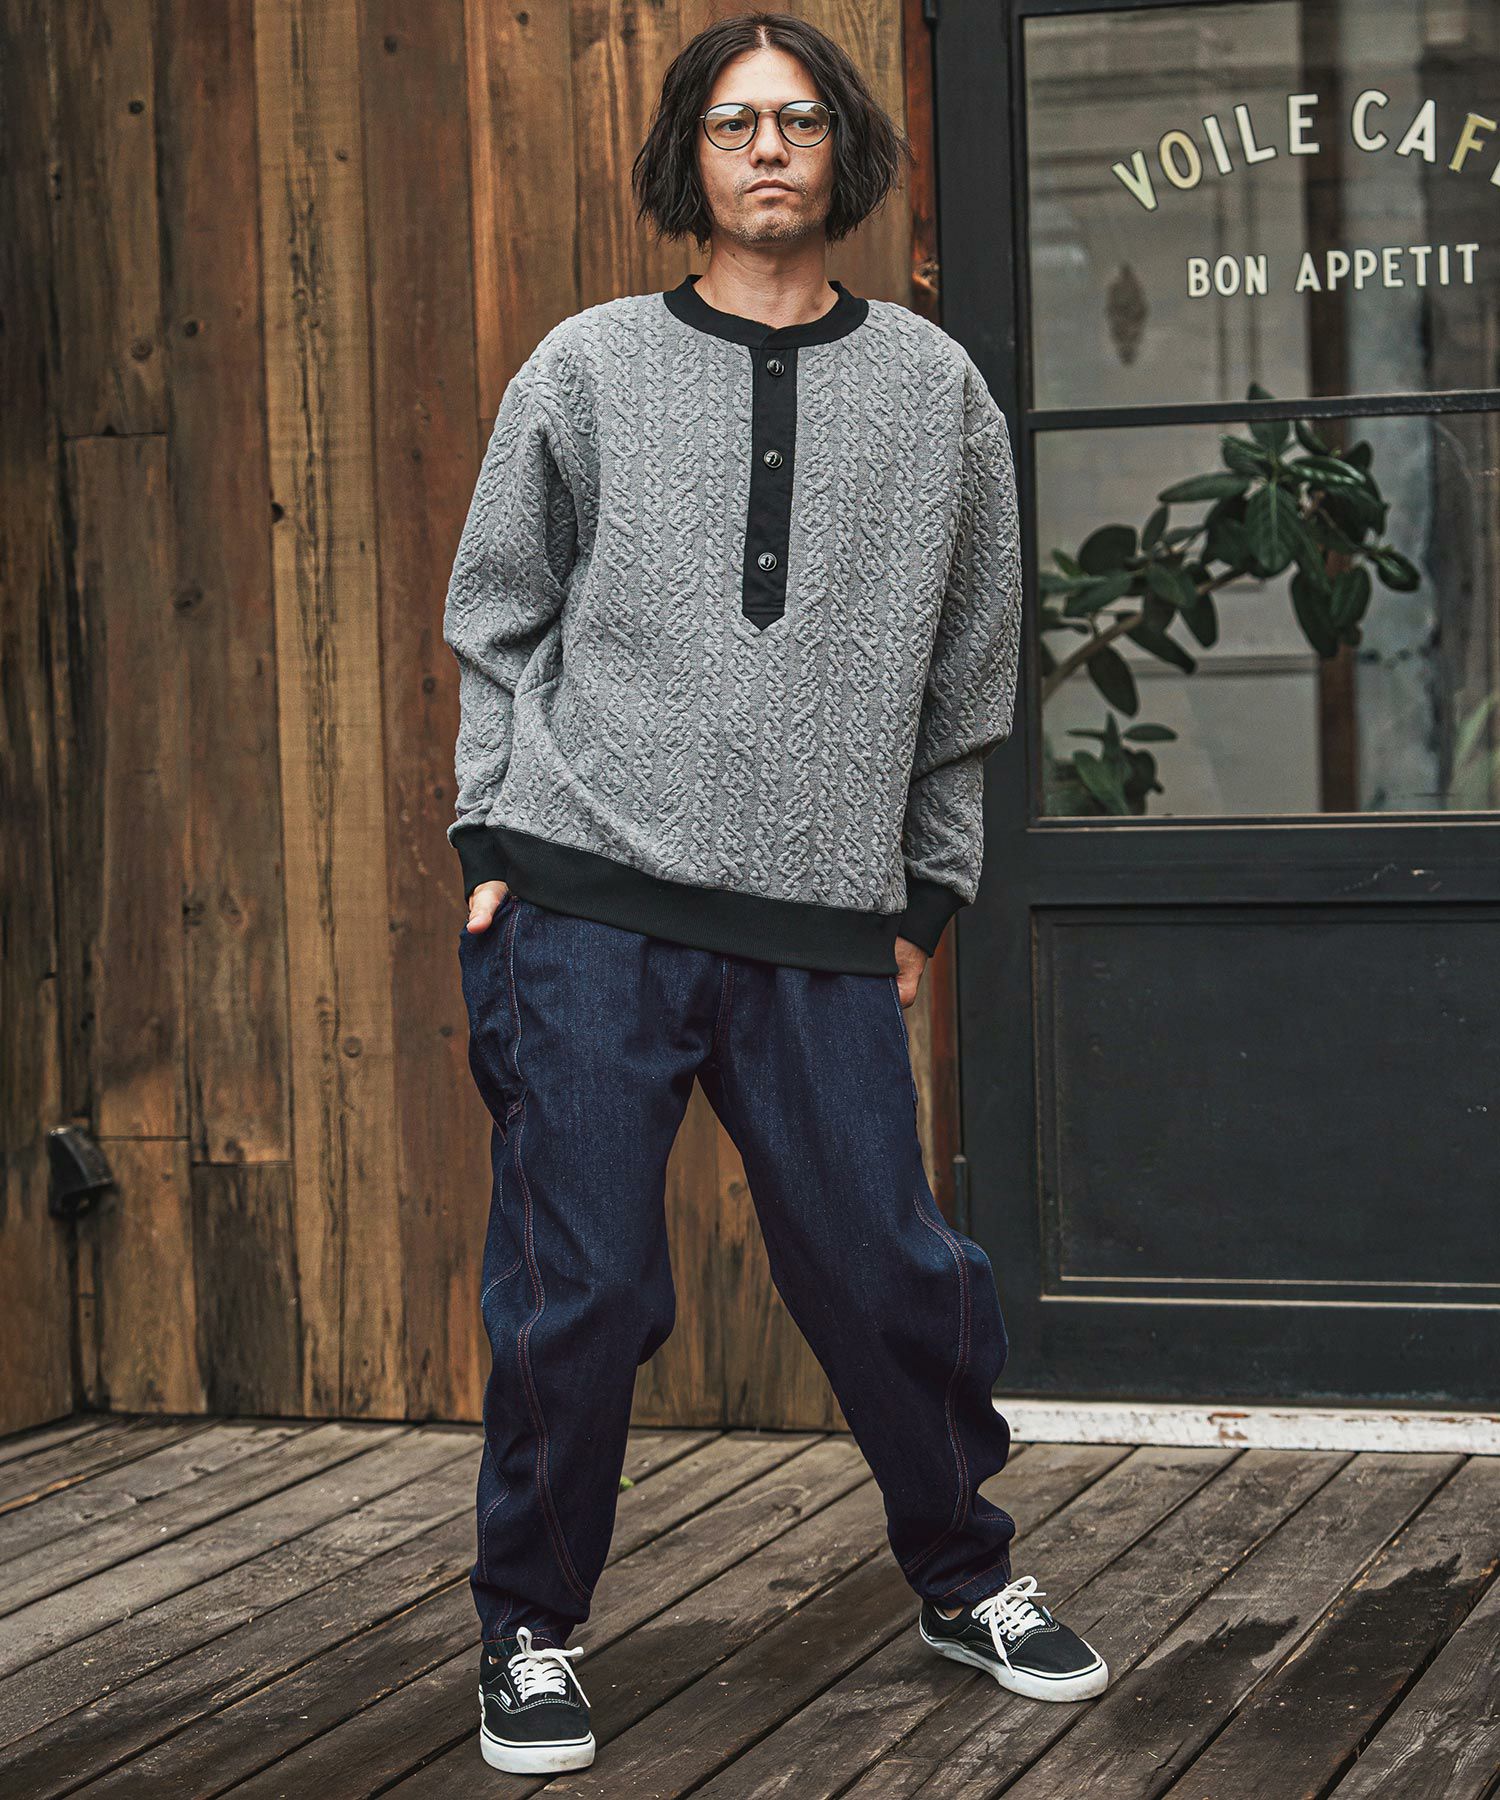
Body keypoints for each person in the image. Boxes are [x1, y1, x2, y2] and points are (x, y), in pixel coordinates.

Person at [443, 9, 1108, 1777]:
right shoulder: (585, 366)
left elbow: (973, 670)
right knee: (581, 1292)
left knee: (890, 1275)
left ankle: (966, 1577)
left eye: (799, 121)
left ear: (844, 155)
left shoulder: (936, 393)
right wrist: (490, 843)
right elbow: (497, 617)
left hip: (819, 919)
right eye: (734, 122)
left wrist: (926, 894)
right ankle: (527, 1629)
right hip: (588, 900)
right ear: (691, 153)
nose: (766, 149)